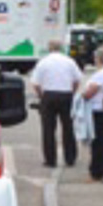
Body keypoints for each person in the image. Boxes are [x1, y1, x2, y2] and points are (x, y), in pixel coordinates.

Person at [31, 39, 84, 168]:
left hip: (49, 95)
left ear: (49, 48)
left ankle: (50, 159)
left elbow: (35, 83)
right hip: (66, 94)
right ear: (61, 48)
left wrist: (41, 95)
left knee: (48, 128)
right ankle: (70, 158)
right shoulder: (69, 61)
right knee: (68, 127)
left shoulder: (43, 62)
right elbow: (77, 79)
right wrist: (72, 92)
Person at [82, 48, 103, 181]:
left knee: (98, 141)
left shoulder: (100, 74)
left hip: (98, 109)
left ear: (99, 59)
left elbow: (90, 92)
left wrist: (82, 96)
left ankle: (96, 170)